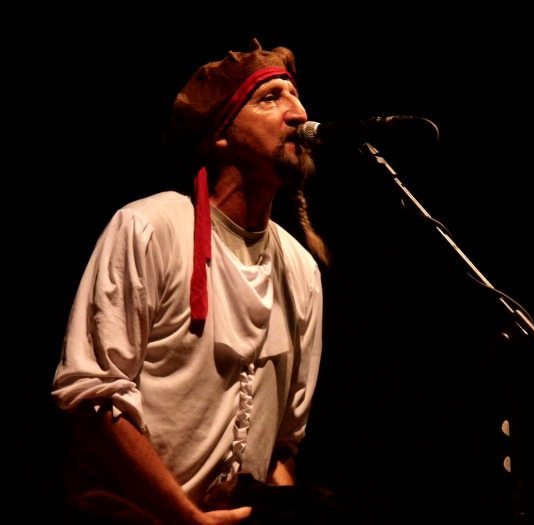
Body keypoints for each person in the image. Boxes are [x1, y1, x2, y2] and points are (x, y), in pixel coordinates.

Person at [51, 38, 333, 524]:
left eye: (295, 96)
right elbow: (94, 397)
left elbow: (282, 446)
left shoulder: (299, 269)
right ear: (220, 133)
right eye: (270, 98)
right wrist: (184, 517)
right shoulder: (149, 228)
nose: (298, 114)